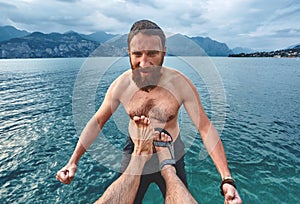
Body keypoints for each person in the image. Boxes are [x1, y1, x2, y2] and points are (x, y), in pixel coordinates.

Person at [56, 19, 242, 204]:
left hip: (171, 149)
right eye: (137, 54)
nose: (144, 62)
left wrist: (226, 179)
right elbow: (97, 121)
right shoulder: (121, 85)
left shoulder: (180, 84)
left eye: (152, 53)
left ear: (163, 53)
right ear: (129, 54)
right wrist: (73, 161)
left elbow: (204, 127)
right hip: (135, 148)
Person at [94, 116, 198, 204]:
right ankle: (167, 167)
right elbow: (99, 118)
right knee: (172, 176)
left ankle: (140, 154)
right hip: (165, 141)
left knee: (133, 170)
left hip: (156, 137)